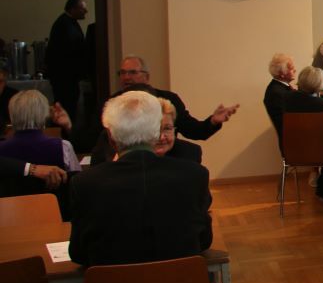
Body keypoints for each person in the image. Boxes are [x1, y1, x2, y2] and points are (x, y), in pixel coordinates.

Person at [69, 90, 213, 268]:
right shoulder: (195, 175)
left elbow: (78, 253)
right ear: (155, 133)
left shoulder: (85, 183)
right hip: (180, 282)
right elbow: (204, 240)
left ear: (111, 138)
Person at [116, 56, 239, 140]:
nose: (126, 77)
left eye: (132, 72)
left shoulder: (169, 99)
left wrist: (213, 121)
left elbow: (194, 131)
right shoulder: (113, 103)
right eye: (122, 73)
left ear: (147, 77)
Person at [91, 97, 203, 165]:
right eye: (155, 129)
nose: (162, 137)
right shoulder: (113, 148)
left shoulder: (190, 153)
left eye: (167, 128)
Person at [0, 90, 80, 173]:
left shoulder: (1, 148)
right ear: (44, 116)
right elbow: (77, 177)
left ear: (11, 116)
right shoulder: (62, 147)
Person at [45, 0, 88, 122]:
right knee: (66, 108)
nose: (86, 11)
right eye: (83, 8)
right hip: (65, 78)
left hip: (67, 77)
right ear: (73, 9)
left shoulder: (67, 23)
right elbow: (69, 51)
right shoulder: (64, 25)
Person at [263, 53, 296, 149]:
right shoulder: (276, 93)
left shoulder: (281, 88)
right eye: (291, 68)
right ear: (282, 74)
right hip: (292, 143)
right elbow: (287, 122)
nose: (295, 70)